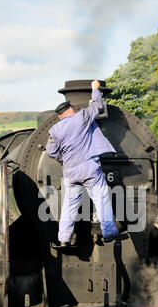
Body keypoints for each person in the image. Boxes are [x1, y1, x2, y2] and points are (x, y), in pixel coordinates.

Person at [46, 79, 119, 247]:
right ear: (70, 109)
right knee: (101, 197)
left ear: (59, 115)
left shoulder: (55, 130)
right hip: (89, 167)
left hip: (70, 171)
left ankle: (64, 239)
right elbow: (97, 106)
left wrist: (64, 159)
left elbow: (51, 151)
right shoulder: (81, 117)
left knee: (69, 206)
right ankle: (109, 232)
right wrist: (95, 89)